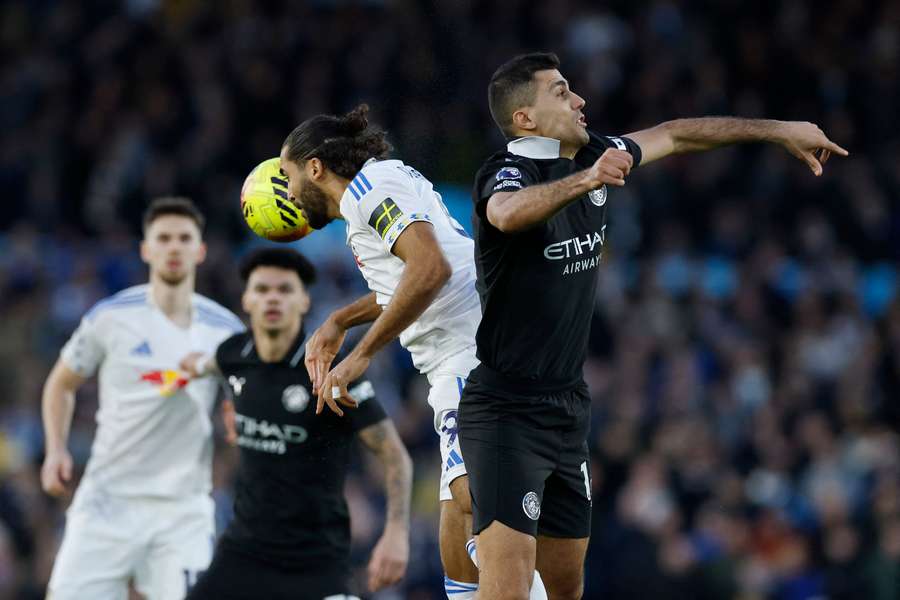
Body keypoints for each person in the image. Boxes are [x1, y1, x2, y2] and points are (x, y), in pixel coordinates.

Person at [460, 51, 849, 600]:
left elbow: (677, 135)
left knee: (566, 586)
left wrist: (777, 130)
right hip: (505, 412)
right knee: (509, 589)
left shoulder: (595, 151)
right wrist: (586, 180)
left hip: (567, 407)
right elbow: (504, 213)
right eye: (561, 91)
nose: (580, 100)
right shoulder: (510, 171)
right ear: (525, 118)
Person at [279, 105, 545, 599]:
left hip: (471, 350)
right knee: (453, 516)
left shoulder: (368, 192)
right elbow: (413, 277)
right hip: (464, 351)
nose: (288, 193)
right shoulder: (379, 187)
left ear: (314, 167)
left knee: (477, 501)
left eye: (287, 175)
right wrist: (340, 319)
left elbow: (432, 269)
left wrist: (363, 352)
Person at [41, 197, 244, 599]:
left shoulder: (227, 331)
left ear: (200, 250)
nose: (173, 247)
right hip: (107, 500)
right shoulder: (110, 317)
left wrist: (237, 416)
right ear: (146, 249)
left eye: (184, 238)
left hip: (183, 510)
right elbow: (60, 384)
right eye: (163, 238)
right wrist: (55, 450)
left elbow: (246, 399)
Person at [180, 247, 411, 599]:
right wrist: (182, 370)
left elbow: (394, 455)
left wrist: (396, 532)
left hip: (315, 562)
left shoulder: (332, 370)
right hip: (243, 553)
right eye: (262, 289)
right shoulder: (233, 355)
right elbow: (203, 365)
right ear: (246, 300)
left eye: (285, 290)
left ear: (304, 301)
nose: (273, 298)